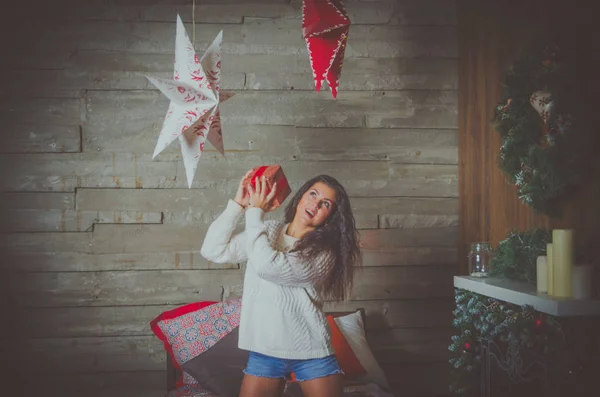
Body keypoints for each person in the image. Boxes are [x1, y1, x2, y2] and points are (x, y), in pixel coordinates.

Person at [200, 171, 362, 397]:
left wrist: (255, 212)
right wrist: (238, 205)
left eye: (325, 203)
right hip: (265, 350)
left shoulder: (325, 252)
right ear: (300, 196)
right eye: (312, 194)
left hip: (311, 352)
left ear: (330, 216)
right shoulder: (267, 230)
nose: (315, 204)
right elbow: (213, 251)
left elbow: (270, 266)